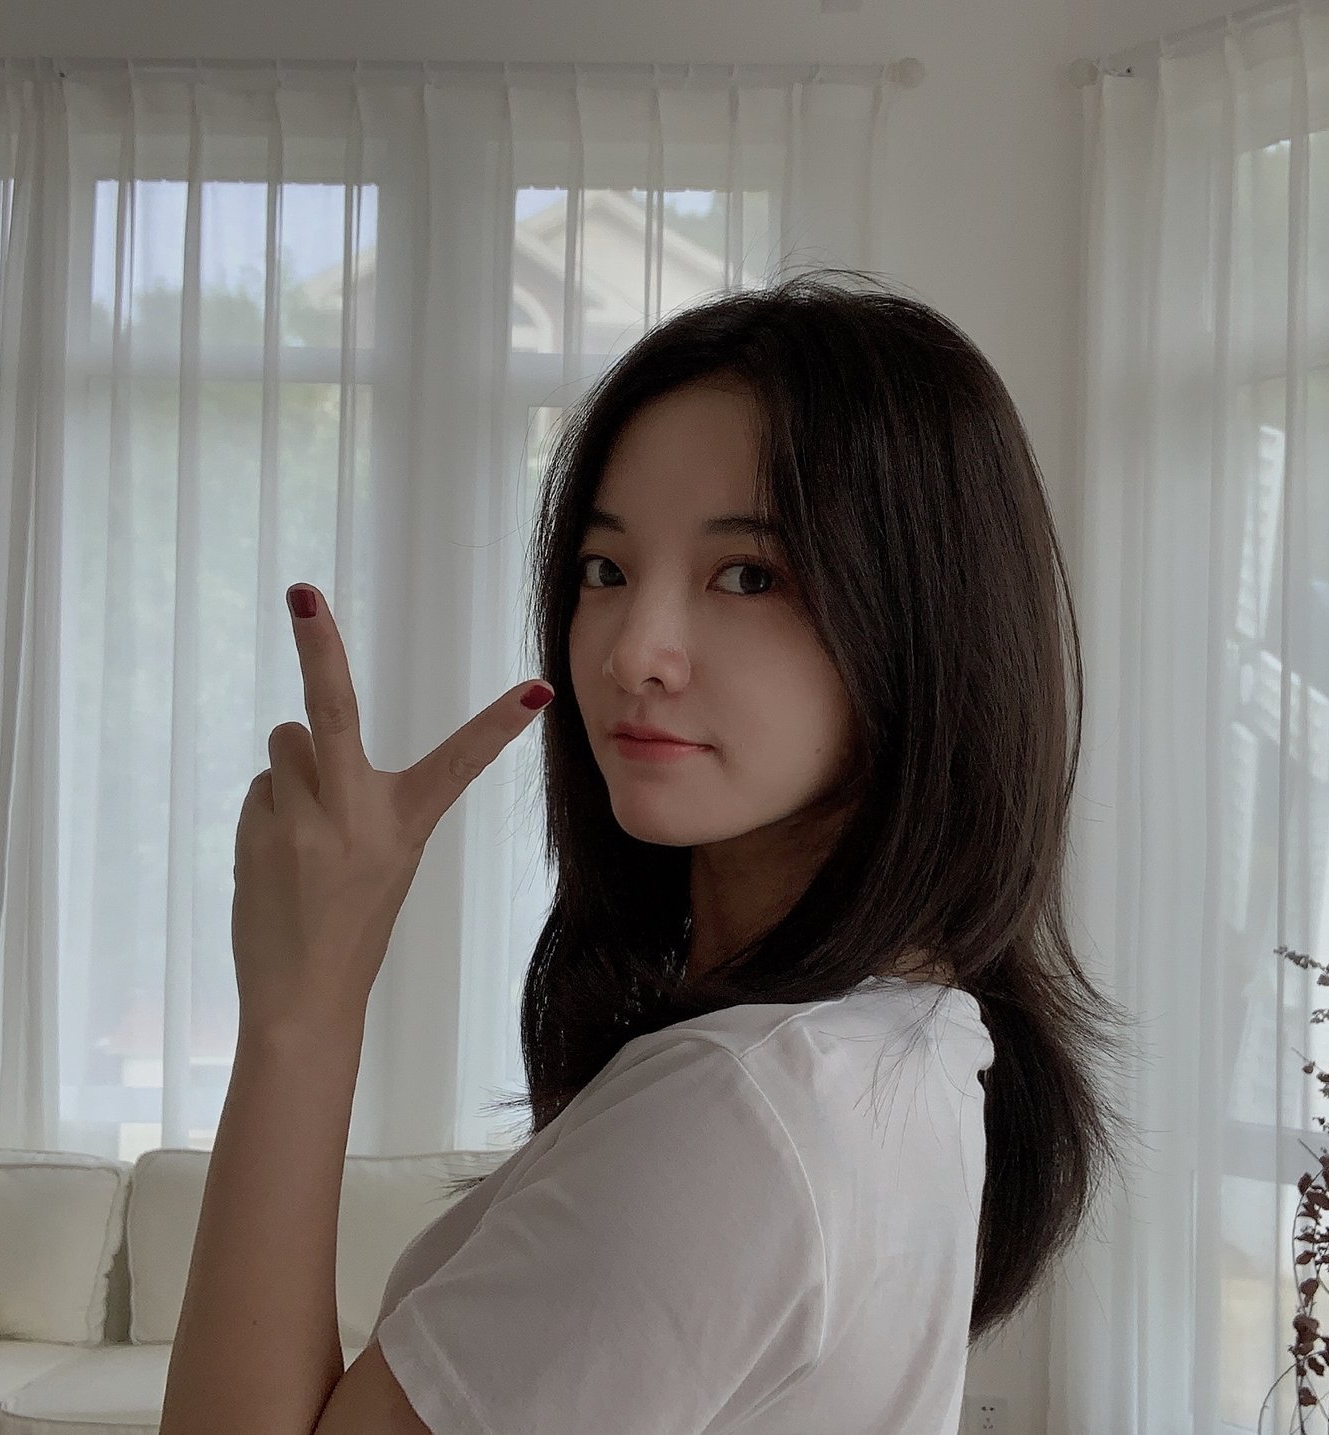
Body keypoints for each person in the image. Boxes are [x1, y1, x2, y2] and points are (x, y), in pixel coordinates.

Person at [368, 269, 1137, 1435]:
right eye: (604, 569)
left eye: (747, 575)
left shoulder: (744, 1105)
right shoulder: (907, 1039)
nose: (632, 652)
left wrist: (304, 999)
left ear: (919, 624)